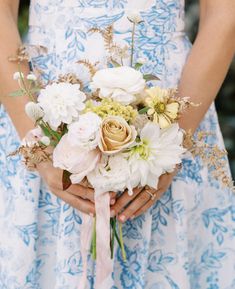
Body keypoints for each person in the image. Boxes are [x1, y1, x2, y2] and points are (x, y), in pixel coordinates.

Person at [0, 0, 235, 288]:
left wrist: (172, 143)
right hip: (42, 107)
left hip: (169, 106)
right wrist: (38, 145)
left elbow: (225, 11)